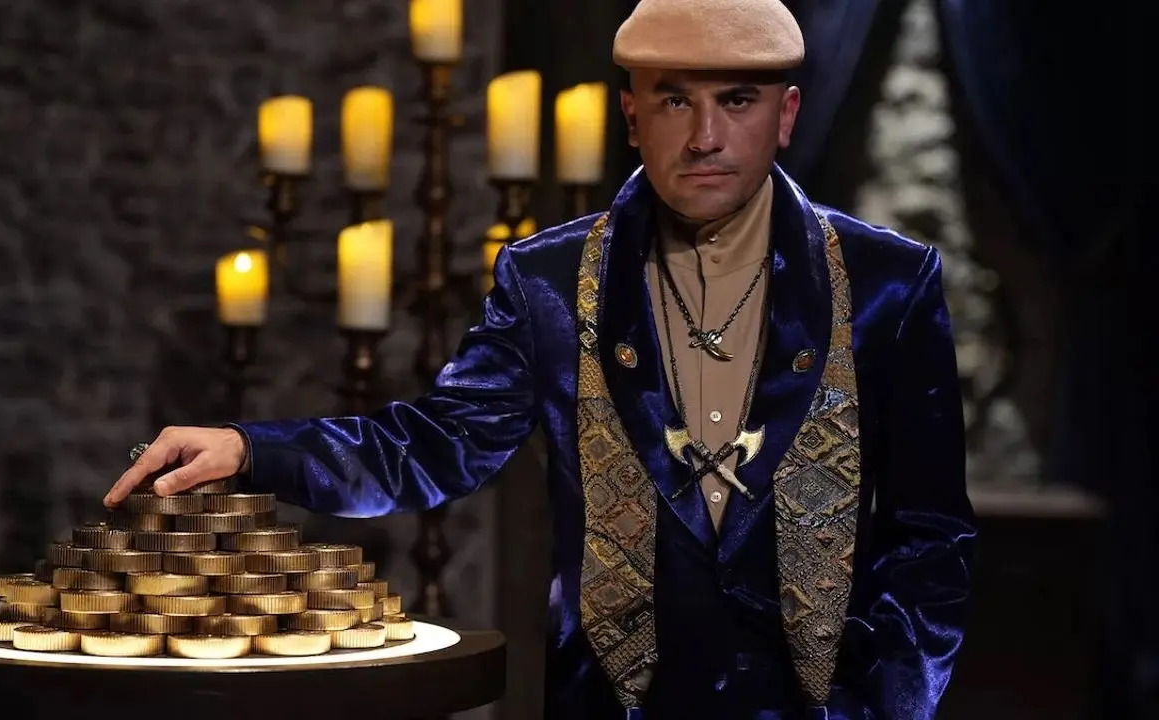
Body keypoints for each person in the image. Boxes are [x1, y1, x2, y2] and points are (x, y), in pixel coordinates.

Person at [105, 0, 976, 716]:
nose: (706, 136)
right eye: (675, 101)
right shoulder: (550, 281)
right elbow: (436, 444)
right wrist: (252, 449)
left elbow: (930, 539)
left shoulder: (887, 284)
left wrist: (886, 706)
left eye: (738, 100)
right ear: (631, 115)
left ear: (785, 115)